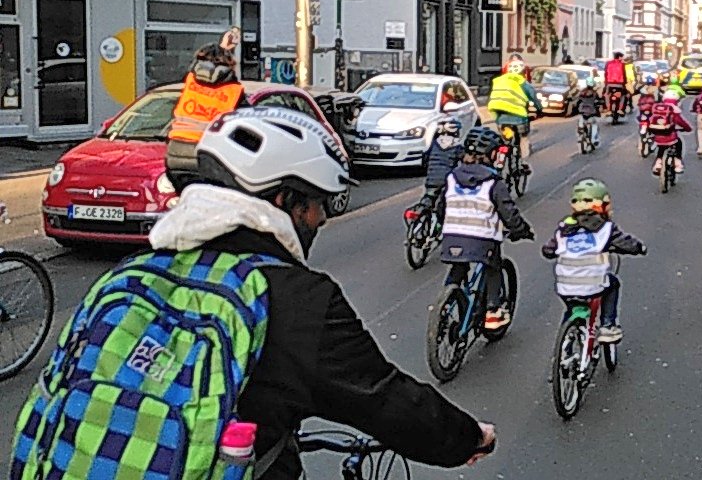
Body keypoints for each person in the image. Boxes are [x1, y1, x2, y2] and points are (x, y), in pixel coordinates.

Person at [10, 107, 495, 480]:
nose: (322, 220)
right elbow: (383, 398)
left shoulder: (135, 270)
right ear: (283, 200)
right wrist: (466, 438)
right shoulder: (298, 298)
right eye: (316, 205)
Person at [441, 126, 534, 330]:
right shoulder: (493, 182)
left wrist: (444, 225)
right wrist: (521, 230)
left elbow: (442, 207)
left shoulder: (451, 177)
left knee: (459, 266)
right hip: (482, 238)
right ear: (492, 154)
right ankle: (493, 310)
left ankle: (447, 299)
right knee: (493, 265)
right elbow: (508, 212)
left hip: (451, 236)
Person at [541, 178, 647, 343]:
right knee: (612, 284)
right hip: (593, 285)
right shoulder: (605, 228)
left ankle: (565, 345)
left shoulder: (564, 228)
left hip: (565, 287)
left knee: (571, 309)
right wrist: (640, 248)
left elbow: (548, 251)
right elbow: (626, 244)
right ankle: (608, 326)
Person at [165, 35, 247, 191]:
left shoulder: (190, 82)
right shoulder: (234, 91)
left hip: (175, 155)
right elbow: (245, 124)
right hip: (208, 156)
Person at [488, 56, 541, 170]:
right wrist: (539, 108)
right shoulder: (523, 82)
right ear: (523, 71)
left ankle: (500, 160)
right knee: (523, 138)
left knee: (505, 142)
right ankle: (522, 162)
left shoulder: (498, 81)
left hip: (501, 118)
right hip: (519, 119)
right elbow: (533, 98)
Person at [412, 119, 464, 221]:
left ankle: (421, 212)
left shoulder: (434, 143)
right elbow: (464, 161)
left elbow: (425, 158)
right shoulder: (457, 145)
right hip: (446, 180)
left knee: (429, 196)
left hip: (431, 178)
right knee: (446, 202)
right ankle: (440, 223)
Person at [648, 88, 692, 175]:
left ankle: (658, 164)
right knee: (679, 143)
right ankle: (678, 163)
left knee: (661, 149)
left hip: (658, 138)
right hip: (671, 137)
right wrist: (688, 129)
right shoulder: (673, 110)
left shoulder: (658, 108)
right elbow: (681, 122)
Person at [574, 77, 604, 147]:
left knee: (581, 122)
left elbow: (577, 102)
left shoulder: (582, 92)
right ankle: (594, 139)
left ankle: (581, 132)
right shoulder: (594, 93)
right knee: (594, 125)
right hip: (591, 112)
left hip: (582, 112)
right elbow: (599, 101)